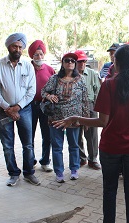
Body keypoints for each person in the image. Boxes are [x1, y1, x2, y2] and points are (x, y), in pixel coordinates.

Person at [52, 44, 129, 223]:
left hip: (111, 147)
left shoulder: (109, 84)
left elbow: (102, 121)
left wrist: (77, 118)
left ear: (116, 63)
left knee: (109, 188)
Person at [0, 32, 40, 187]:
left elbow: (31, 91)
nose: (17, 49)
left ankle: (29, 173)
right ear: (9, 47)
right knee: (7, 145)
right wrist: (8, 108)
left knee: (28, 143)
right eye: (14, 46)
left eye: (20, 47)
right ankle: (13, 173)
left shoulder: (27, 66)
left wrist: (18, 107)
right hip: (3, 110)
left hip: (24, 110)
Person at [41, 52, 89, 183]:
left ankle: (74, 169)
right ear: (62, 63)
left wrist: (86, 120)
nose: (70, 63)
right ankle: (59, 172)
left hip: (74, 119)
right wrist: (49, 96)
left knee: (74, 145)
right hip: (56, 117)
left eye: (73, 61)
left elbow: (85, 100)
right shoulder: (54, 79)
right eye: (67, 60)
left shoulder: (80, 80)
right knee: (57, 146)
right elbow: (43, 91)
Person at [28, 40, 55, 172]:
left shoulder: (49, 69)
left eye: (41, 54)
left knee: (47, 135)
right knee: (29, 134)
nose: (39, 57)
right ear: (31, 56)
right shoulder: (26, 68)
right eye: (36, 55)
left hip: (46, 106)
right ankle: (30, 160)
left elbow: (55, 87)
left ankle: (45, 161)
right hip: (29, 106)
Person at [74, 49, 102, 170]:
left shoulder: (92, 73)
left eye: (84, 61)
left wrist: (96, 107)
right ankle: (81, 157)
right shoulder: (71, 74)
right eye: (80, 62)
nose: (82, 64)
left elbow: (98, 90)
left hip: (90, 105)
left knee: (92, 134)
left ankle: (93, 158)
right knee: (77, 133)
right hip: (75, 106)